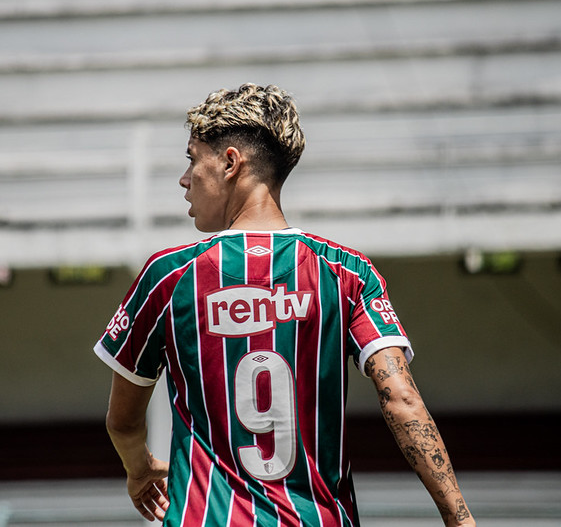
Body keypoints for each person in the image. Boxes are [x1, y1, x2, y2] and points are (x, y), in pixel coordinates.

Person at [94, 83, 475, 526]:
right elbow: (402, 399)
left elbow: (122, 422)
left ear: (230, 163)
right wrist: (460, 519)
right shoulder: (346, 271)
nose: (184, 179)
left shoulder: (169, 276)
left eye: (192, 159)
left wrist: (140, 469)